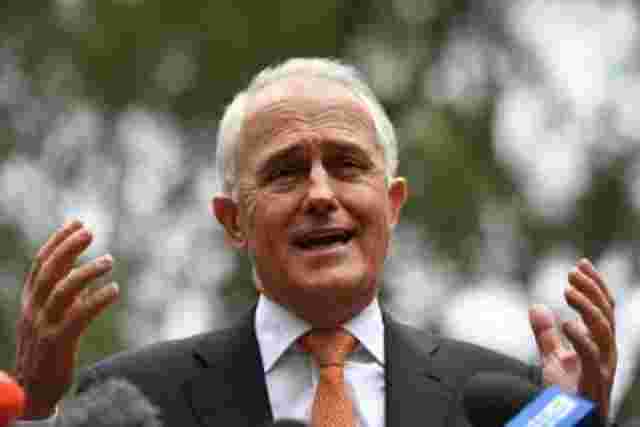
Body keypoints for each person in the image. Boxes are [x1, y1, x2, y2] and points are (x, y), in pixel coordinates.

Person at [12, 58, 617, 427]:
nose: (321, 194)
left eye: (347, 165)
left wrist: (578, 422)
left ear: (392, 205)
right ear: (233, 221)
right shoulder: (137, 399)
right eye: (286, 173)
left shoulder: (510, 405)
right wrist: (33, 408)